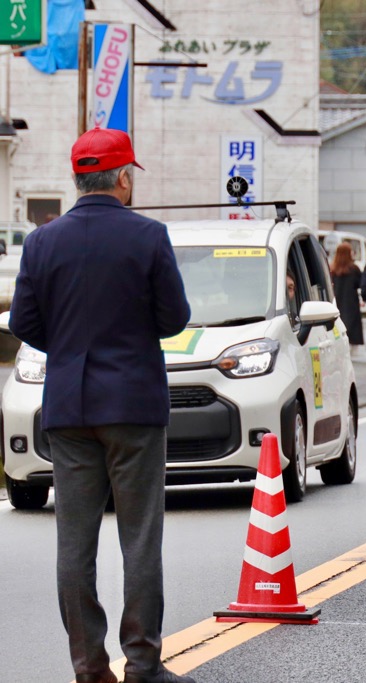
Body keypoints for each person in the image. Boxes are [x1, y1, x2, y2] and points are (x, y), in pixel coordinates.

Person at [8, 128, 194, 683]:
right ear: (121, 178)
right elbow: (174, 319)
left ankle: (89, 667)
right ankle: (141, 663)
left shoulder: (42, 242)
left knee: (74, 541)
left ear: (76, 178)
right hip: (134, 404)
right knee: (139, 538)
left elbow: (24, 323)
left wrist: (69, 348)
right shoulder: (148, 236)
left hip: (67, 405)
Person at [331, 242, 364, 349]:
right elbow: (360, 284)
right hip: (351, 302)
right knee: (351, 324)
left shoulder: (332, 269)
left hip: (336, 301)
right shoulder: (354, 269)